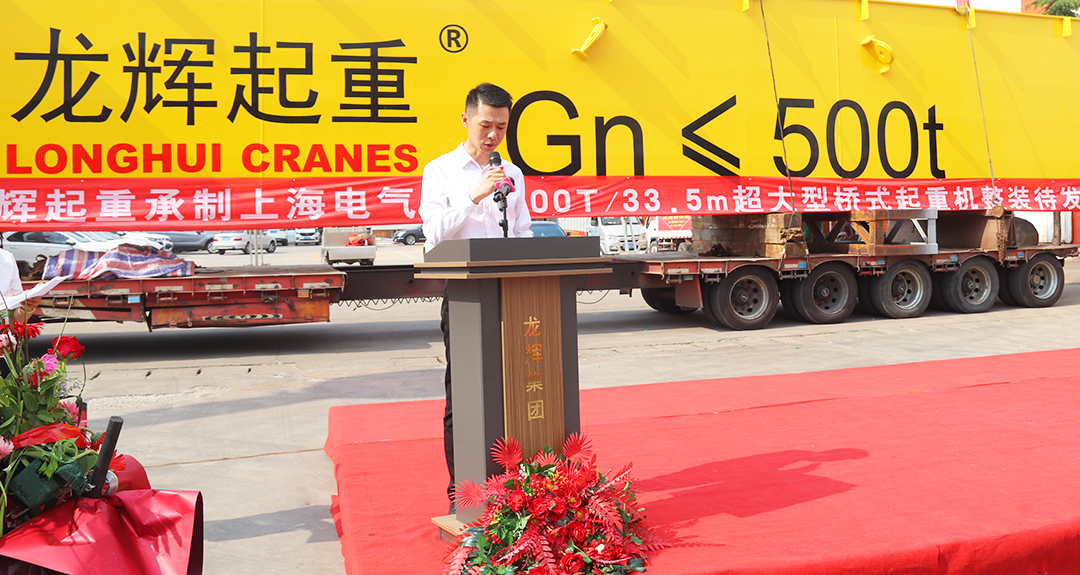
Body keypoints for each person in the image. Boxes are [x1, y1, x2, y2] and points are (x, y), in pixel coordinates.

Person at [418, 83, 533, 511]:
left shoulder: (513, 173)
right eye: (486, 125)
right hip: (465, 295)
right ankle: (461, 493)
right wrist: (474, 195)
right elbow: (433, 233)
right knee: (464, 394)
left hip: (512, 293)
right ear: (466, 119)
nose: (493, 135)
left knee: (513, 390)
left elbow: (521, 230)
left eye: (502, 127)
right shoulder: (440, 170)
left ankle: (512, 487)